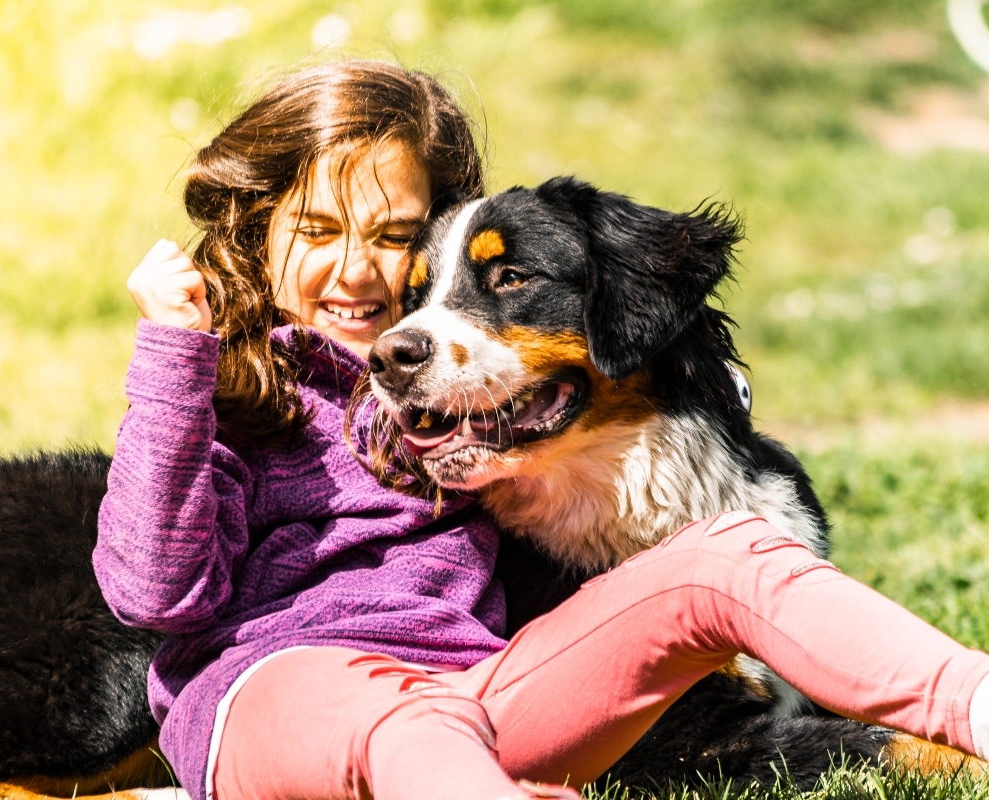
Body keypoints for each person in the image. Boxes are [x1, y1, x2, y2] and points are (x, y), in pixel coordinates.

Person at [93, 59, 989, 800]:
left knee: (727, 553)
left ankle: (974, 701)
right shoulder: (226, 398)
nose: (359, 268)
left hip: (487, 689)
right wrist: (176, 358)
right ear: (256, 234)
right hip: (283, 690)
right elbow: (152, 593)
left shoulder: (444, 406)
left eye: (395, 235)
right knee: (409, 719)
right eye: (318, 229)